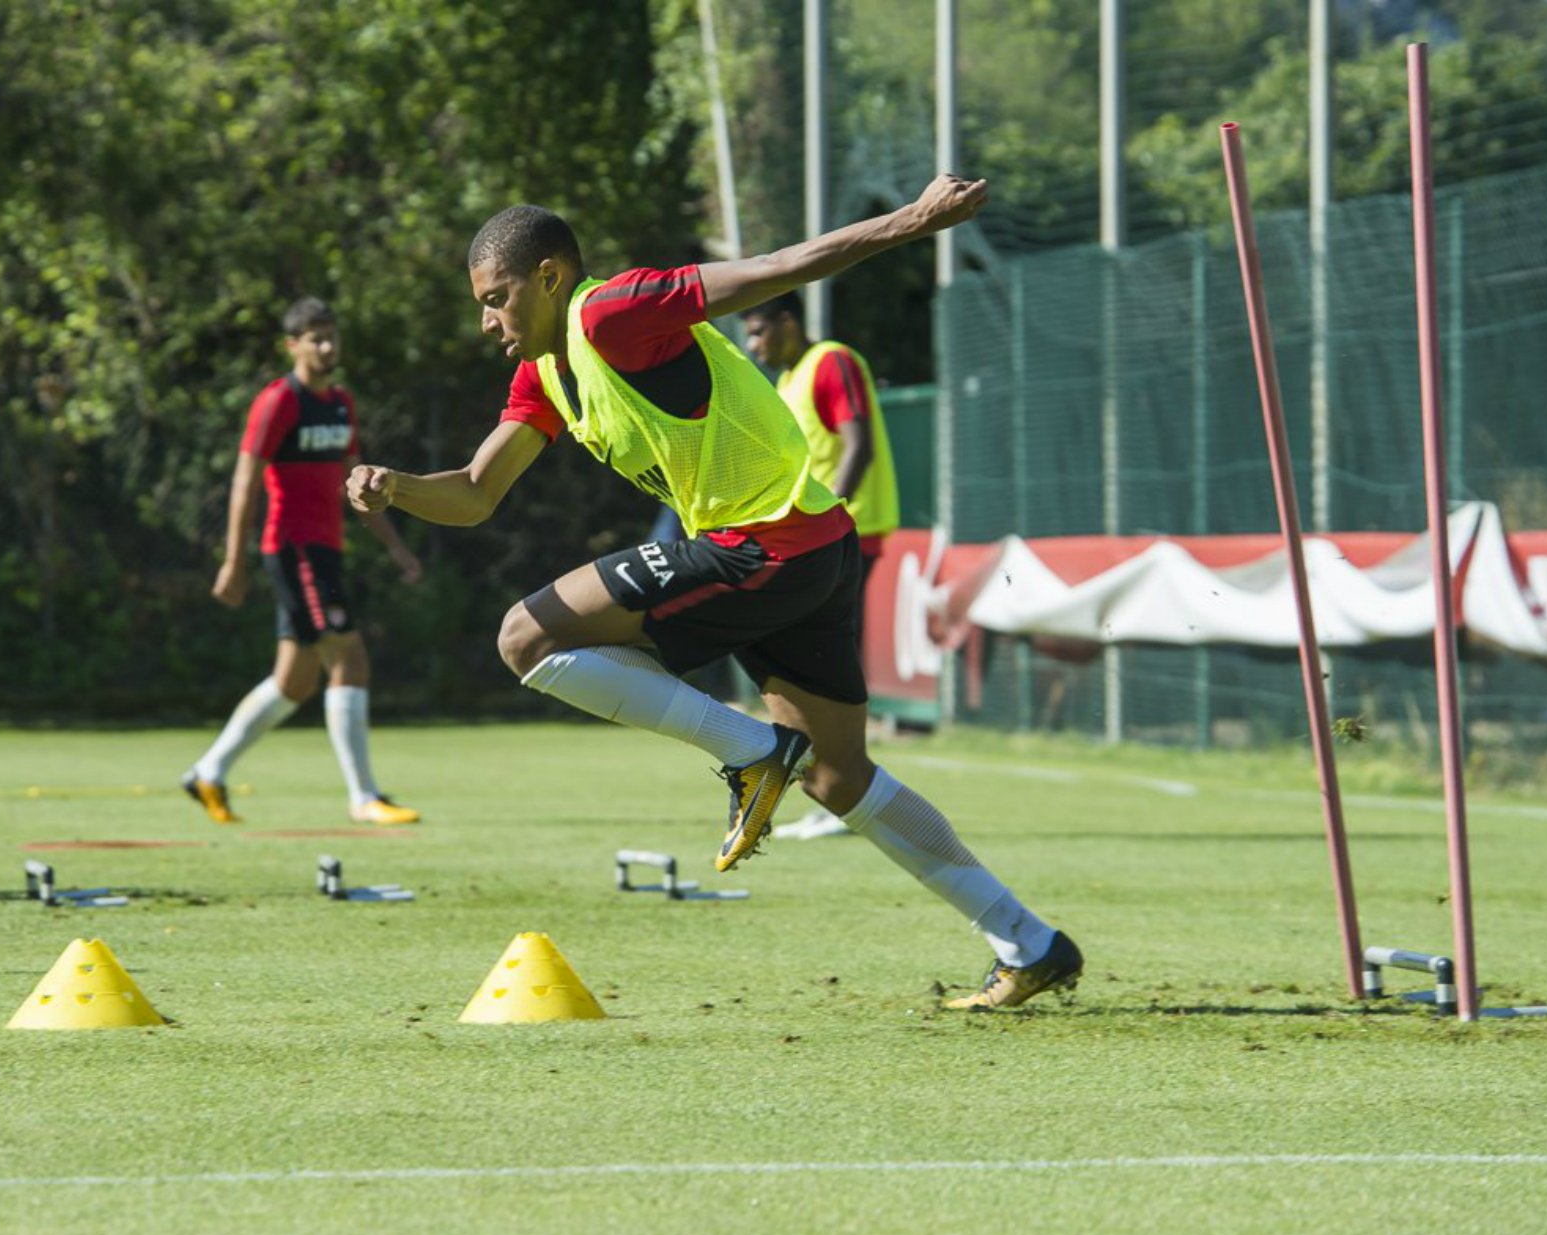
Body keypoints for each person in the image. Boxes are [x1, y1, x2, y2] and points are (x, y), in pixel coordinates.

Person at [348, 175, 1082, 1009]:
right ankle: (1027, 940)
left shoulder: (610, 311)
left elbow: (777, 268)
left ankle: (754, 752)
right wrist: (399, 488)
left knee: (525, 638)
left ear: (550, 276)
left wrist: (913, 221)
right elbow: (477, 494)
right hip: (813, 547)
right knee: (839, 779)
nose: (487, 319)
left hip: (763, 547)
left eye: (497, 297)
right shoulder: (544, 375)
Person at [183, 296, 425, 827]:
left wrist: (395, 546)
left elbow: (357, 483)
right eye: (315, 337)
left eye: (331, 335)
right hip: (295, 548)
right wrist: (233, 561)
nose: (326, 345)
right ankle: (364, 797)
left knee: (294, 682)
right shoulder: (279, 401)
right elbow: (246, 480)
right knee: (351, 660)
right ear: (292, 345)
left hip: (326, 548)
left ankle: (208, 771)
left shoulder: (340, 403)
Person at [744, 292, 898, 841]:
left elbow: (859, 446)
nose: (753, 345)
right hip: (823, 541)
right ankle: (838, 791)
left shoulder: (831, 360)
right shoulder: (787, 383)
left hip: (846, 535)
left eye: (759, 331)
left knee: (824, 661)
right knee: (813, 659)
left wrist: (829, 520)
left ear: (788, 321)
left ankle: (847, 793)